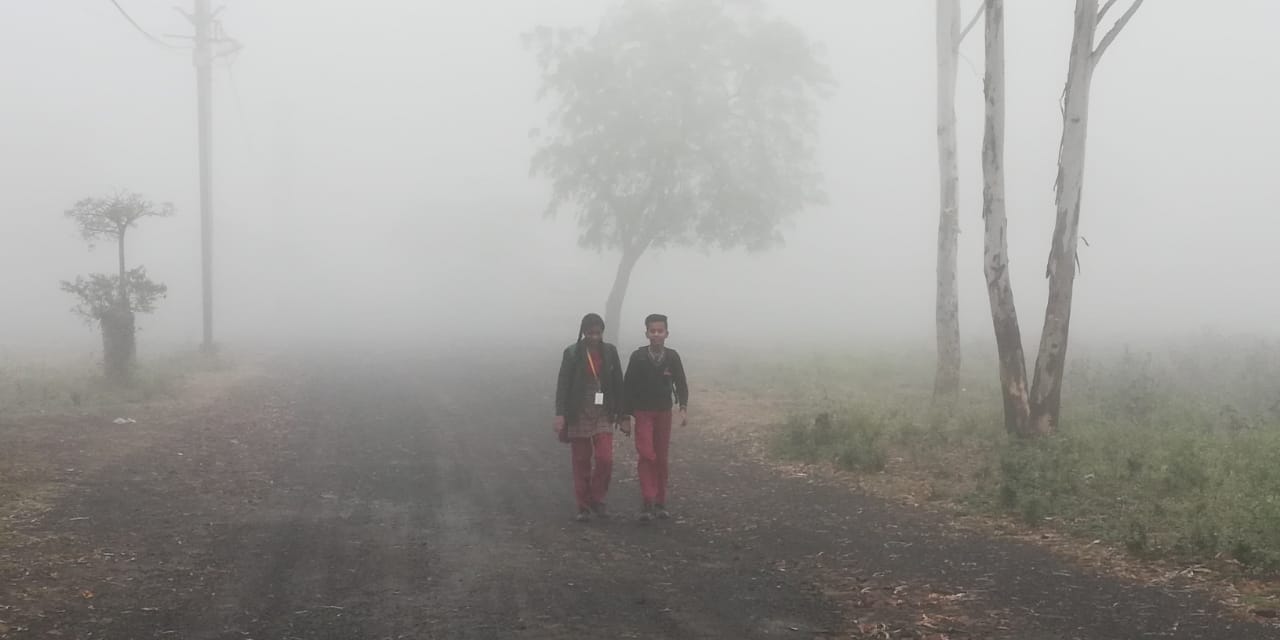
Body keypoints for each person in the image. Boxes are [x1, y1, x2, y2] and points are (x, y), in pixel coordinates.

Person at [554, 313, 627, 522]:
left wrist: (622, 414)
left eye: (598, 332)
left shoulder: (610, 352)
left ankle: (598, 497)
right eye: (590, 333)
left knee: (605, 459)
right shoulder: (572, 353)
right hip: (578, 411)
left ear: (602, 332)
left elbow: (618, 383)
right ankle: (583, 505)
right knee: (581, 460)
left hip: (603, 410)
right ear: (583, 332)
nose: (594, 337)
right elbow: (563, 385)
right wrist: (560, 414)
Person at [623, 313, 689, 522]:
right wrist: (624, 415)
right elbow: (628, 386)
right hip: (642, 412)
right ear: (646, 333)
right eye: (653, 331)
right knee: (646, 454)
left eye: (660, 331)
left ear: (667, 333)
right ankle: (647, 499)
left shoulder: (672, 357)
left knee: (661, 457)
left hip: (664, 411)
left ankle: (660, 502)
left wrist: (683, 408)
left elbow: (681, 383)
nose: (656, 334)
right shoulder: (638, 357)